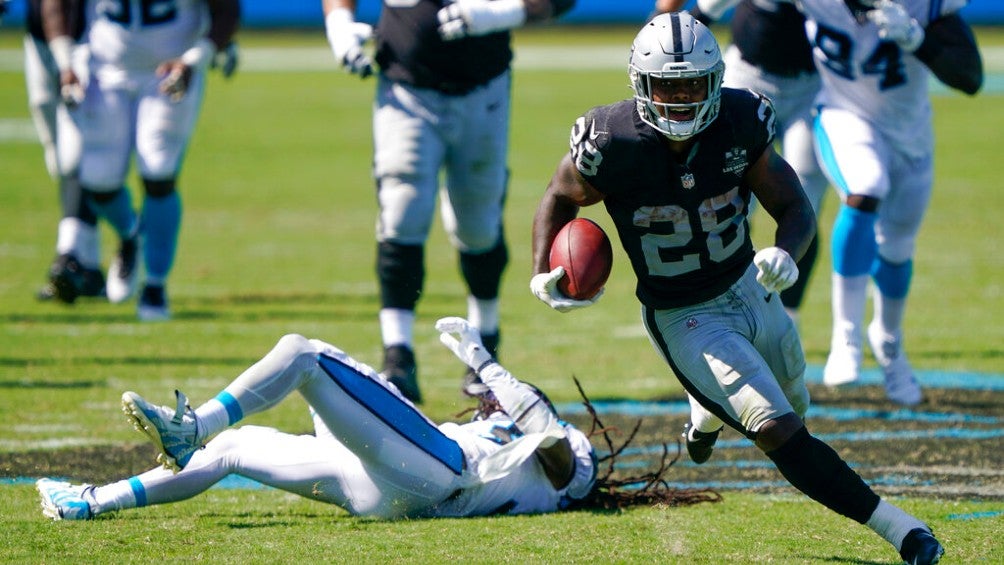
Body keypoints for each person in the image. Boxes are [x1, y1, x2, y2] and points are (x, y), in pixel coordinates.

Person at [529, 13, 944, 564]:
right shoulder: (612, 140)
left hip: (749, 286)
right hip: (683, 313)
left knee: (797, 402)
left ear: (715, 81)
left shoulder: (742, 118)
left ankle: (705, 410)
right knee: (778, 429)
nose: (678, 100)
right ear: (639, 84)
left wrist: (783, 253)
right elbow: (558, 197)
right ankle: (904, 531)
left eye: (691, 85)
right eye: (665, 86)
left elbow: (793, 205)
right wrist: (542, 269)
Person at [35, 317, 597, 520]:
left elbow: (547, 433)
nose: (493, 400)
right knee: (236, 448)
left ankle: (193, 425)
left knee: (303, 353)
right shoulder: (491, 429)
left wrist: (488, 364)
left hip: (442, 478)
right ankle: (92, 501)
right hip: (385, 489)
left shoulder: (564, 450)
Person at [321, 0, 575, 403]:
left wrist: (502, 13)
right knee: (401, 212)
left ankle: (485, 342)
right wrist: (338, 22)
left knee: (476, 225)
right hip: (405, 85)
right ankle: (397, 356)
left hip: (483, 87)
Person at [792, 0, 983, 406]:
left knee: (897, 247)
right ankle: (846, 334)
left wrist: (917, 38)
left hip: (910, 135)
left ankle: (889, 342)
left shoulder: (923, 4)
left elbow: (970, 77)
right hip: (843, 115)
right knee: (866, 186)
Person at [43, 0, 241, 320]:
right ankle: (130, 234)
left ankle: (155, 284)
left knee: (159, 172)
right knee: (98, 184)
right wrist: (65, 62)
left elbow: (226, 8)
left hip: (170, 70)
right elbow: (55, 4)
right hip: (102, 70)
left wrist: (195, 59)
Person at [655, 0, 828, 326]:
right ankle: (728, 302)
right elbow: (699, 17)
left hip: (813, 86)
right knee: (728, 197)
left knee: (805, 200)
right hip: (749, 77)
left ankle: (787, 316)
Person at [24, 0, 106, 303]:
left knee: (76, 154)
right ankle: (90, 267)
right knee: (58, 158)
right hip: (39, 37)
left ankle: (68, 254)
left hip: (86, 41)